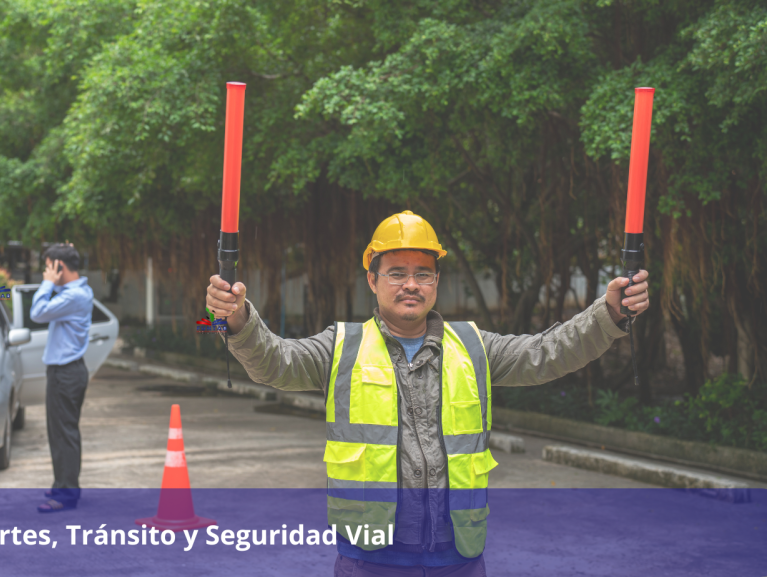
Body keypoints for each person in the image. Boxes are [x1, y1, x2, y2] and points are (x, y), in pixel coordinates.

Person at [205, 211, 650, 577]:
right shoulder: (341, 347)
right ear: (372, 281)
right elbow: (275, 362)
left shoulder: (474, 346)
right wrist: (240, 321)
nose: (410, 285)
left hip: (456, 556)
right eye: (396, 273)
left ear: (436, 282)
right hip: (370, 559)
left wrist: (608, 313)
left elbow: (548, 353)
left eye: (423, 274)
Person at [30, 243, 94, 513]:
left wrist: (46, 283)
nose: (46, 271)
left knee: (65, 433)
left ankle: (67, 494)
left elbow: (37, 312)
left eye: (48, 266)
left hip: (66, 373)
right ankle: (62, 484)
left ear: (59, 267)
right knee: (58, 431)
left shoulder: (75, 296)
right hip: (64, 371)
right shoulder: (75, 291)